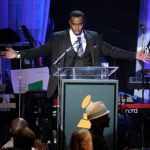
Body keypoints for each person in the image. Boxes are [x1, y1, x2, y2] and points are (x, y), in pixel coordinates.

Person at [2, 10, 150, 99]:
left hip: (89, 86)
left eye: (79, 24)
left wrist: (134, 55)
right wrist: (18, 55)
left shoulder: (93, 37)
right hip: (64, 87)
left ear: (83, 23)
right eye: (74, 24)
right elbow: (40, 50)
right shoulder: (58, 37)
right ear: (69, 23)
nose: (77, 28)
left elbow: (111, 50)